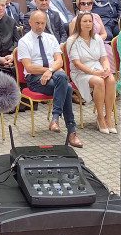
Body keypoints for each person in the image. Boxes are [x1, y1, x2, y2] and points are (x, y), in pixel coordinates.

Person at [18, 10, 82, 148]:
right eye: (37, 23)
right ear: (30, 22)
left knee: (61, 77)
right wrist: (48, 70)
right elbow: (29, 67)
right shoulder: (24, 41)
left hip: (53, 75)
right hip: (35, 79)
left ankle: (56, 120)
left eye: (42, 23)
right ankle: (71, 131)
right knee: (67, 86)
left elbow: (59, 61)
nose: (40, 26)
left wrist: (50, 70)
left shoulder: (51, 38)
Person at [66, 12, 116, 133]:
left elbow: (104, 58)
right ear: (79, 23)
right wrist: (95, 73)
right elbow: (77, 63)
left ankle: (108, 117)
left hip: (97, 67)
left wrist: (106, 68)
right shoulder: (72, 40)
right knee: (98, 81)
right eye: (85, 21)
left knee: (111, 79)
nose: (88, 24)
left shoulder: (97, 38)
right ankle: (100, 116)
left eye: (90, 21)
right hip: (80, 72)